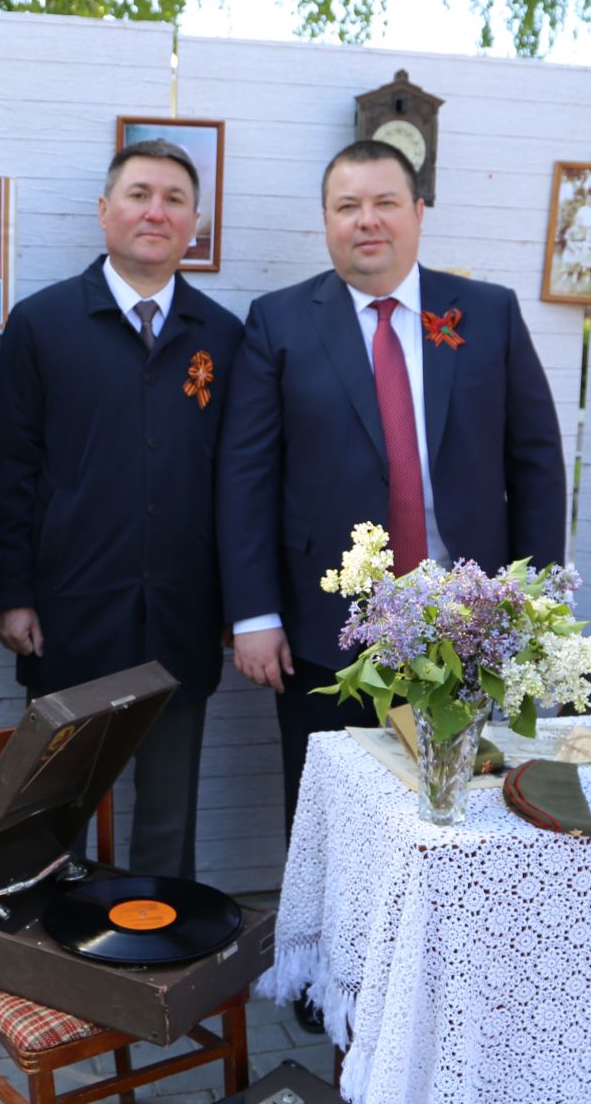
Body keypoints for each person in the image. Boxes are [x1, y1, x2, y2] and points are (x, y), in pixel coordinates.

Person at [216, 139, 566, 1025]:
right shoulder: (279, 321)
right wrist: (253, 614)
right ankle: (338, 978)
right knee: (332, 808)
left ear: (418, 212)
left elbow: (535, 460)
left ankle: (454, 977)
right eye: (345, 206)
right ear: (326, 220)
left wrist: (536, 604)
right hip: (326, 623)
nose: (365, 220)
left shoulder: (483, 311)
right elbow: (245, 477)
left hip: (469, 616)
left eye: (383, 202)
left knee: (465, 801)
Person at [0, 140, 243, 881]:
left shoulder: (222, 337)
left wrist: (239, 604)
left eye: (173, 199)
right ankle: (50, 972)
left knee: (167, 821)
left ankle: (154, 977)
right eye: (138, 194)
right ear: (105, 211)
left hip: (183, 619)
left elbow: (237, 480)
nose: (154, 211)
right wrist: (9, 593)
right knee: (51, 817)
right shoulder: (42, 324)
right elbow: (12, 469)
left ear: (195, 222)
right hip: (68, 617)